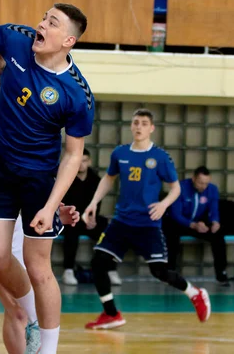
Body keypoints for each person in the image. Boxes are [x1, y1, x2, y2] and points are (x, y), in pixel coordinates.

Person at [0, 0, 94, 354]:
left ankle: (46, 349)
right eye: (43, 17)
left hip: (37, 180)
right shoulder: (15, 40)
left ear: (68, 40)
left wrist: (52, 206)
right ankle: (32, 315)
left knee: (38, 266)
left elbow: (73, 155)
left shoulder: (76, 93)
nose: (40, 25)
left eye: (51, 23)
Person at [0, 51, 79, 354]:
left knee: (19, 307)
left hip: (12, 214)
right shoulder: (5, 101)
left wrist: (52, 208)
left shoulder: (42, 121)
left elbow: (29, 179)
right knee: (21, 309)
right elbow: (1, 73)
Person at [82, 109, 211, 330]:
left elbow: (176, 188)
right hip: (121, 222)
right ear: (131, 126)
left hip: (147, 224)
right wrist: (93, 203)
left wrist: (163, 204)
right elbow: (108, 179)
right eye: (135, 123)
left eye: (144, 123)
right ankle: (111, 314)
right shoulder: (120, 153)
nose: (139, 127)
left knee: (159, 271)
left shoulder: (160, 157)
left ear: (151, 128)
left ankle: (195, 293)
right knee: (98, 264)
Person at [61, 148, 121, 287]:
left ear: (89, 162)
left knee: (106, 227)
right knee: (71, 229)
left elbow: (97, 202)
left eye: (84, 161)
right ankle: (68, 270)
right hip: (72, 219)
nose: (81, 164)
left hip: (88, 219)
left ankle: (110, 270)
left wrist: (92, 219)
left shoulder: (95, 180)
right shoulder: (67, 178)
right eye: (79, 161)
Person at [163, 166, 229, 286]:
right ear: (193, 179)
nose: (203, 186)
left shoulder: (212, 190)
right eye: (200, 183)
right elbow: (175, 214)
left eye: (206, 183)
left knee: (218, 235)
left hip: (198, 222)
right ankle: (170, 272)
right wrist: (192, 225)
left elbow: (214, 210)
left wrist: (215, 222)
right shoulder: (180, 188)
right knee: (171, 234)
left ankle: (221, 273)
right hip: (180, 222)